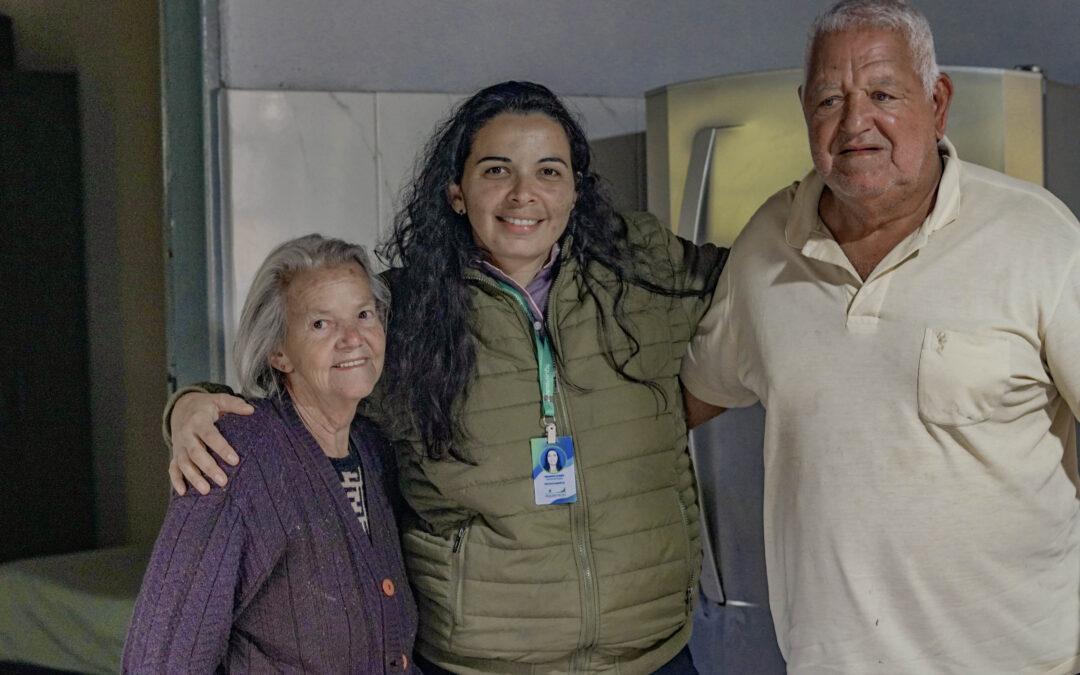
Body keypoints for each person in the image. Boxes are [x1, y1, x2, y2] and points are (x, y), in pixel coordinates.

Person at [165, 82, 725, 673]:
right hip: (477, 661)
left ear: (576, 191)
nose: (524, 193)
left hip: (653, 653)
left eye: (549, 171)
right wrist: (193, 404)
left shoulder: (644, 272)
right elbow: (294, 398)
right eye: (496, 170)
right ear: (457, 192)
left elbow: (763, 303)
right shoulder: (402, 312)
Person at [682, 1, 1080, 672]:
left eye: (883, 94)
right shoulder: (767, 243)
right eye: (829, 100)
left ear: (938, 102)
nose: (854, 122)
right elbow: (691, 394)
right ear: (804, 111)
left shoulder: (1039, 238)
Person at [123, 235, 418, 673]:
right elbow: (161, 660)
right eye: (321, 324)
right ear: (279, 351)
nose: (353, 338)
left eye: (363, 314)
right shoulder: (235, 452)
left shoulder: (373, 450)